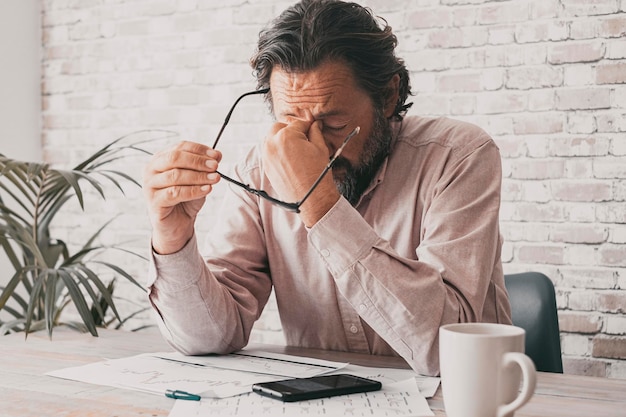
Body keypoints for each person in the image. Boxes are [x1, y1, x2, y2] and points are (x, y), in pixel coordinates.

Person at [143, 0, 511, 376]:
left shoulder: (460, 156)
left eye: (334, 123)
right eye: (291, 122)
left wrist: (318, 200)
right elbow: (207, 339)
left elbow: (447, 348)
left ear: (387, 97)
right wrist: (173, 238)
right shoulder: (257, 173)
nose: (312, 147)